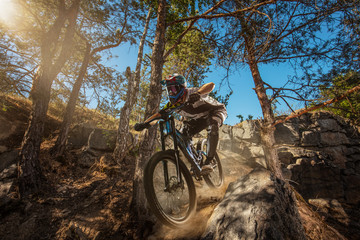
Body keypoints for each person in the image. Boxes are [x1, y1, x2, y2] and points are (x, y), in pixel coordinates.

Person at [134, 73, 227, 173]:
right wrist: (144, 124)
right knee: (184, 135)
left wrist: (198, 93)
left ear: (181, 87)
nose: (171, 92)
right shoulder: (173, 105)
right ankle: (195, 161)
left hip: (216, 111)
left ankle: (209, 161)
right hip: (200, 119)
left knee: (213, 125)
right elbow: (158, 115)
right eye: (169, 90)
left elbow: (211, 85)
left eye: (173, 89)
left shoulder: (191, 92)